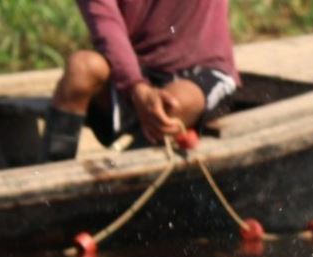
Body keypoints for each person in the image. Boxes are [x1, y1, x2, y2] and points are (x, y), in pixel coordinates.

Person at [42, 0, 239, 162]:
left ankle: (119, 193)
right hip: (134, 68)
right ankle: (51, 179)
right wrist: (136, 86)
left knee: (170, 107)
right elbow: (107, 28)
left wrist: (139, 90)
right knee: (81, 68)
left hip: (201, 68)